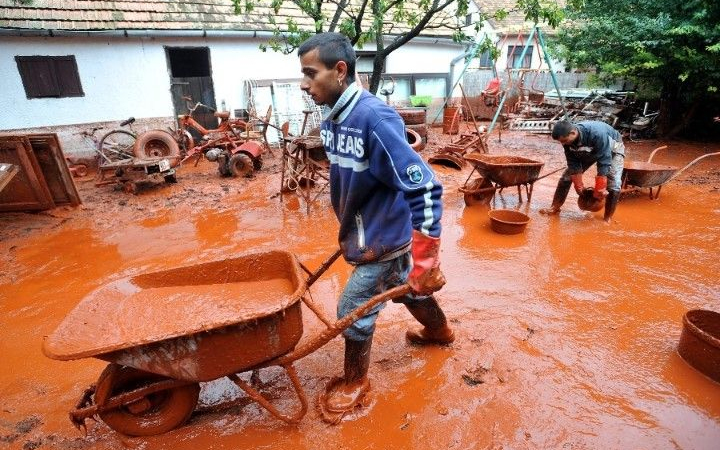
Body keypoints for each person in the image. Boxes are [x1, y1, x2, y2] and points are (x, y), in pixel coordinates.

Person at [297, 32, 454, 420]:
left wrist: (426, 260)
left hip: (383, 239)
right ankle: (439, 332)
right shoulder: (333, 116)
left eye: (310, 73)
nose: (303, 84)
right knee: (409, 293)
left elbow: (427, 187)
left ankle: (355, 381)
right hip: (366, 231)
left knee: (352, 307)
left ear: (340, 70)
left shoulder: (375, 118)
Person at [540, 120, 625, 222]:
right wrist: (578, 184)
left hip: (613, 149)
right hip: (590, 150)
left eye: (564, 141)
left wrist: (600, 187)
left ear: (573, 133)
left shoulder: (596, 134)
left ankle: (608, 218)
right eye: (561, 141)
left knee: (614, 183)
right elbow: (572, 161)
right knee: (566, 177)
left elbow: (604, 160)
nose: (563, 144)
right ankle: (555, 207)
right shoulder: (567, 140)